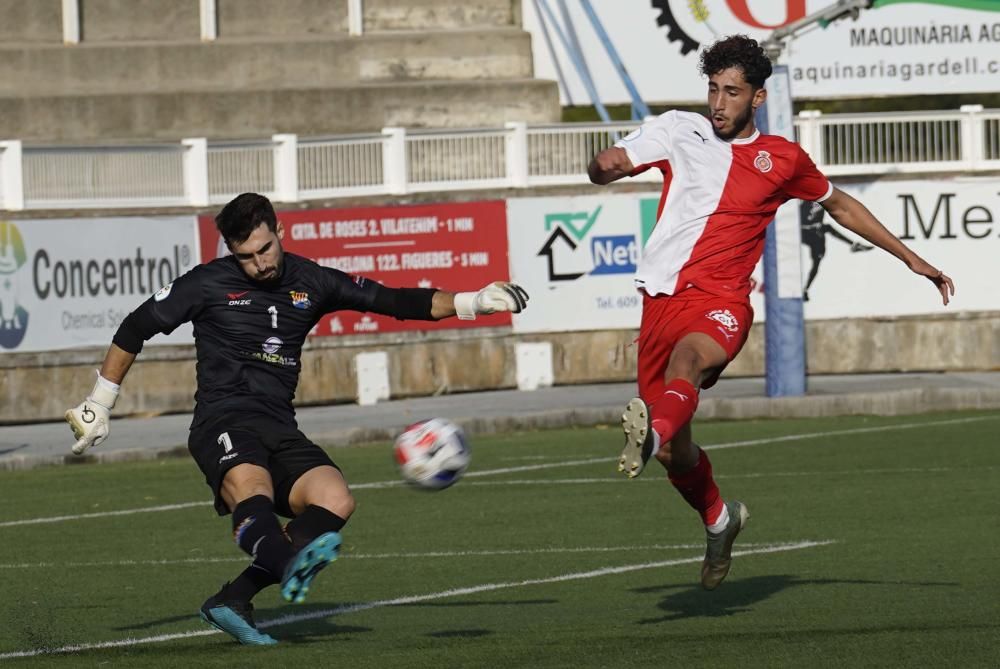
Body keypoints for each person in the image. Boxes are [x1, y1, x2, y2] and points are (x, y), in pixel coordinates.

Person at [64, 192, 529, 645]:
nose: (260, 262)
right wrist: (99, 403)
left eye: (265, 248)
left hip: (278, 425)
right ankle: (289, 564)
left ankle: (234, 599)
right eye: (245, 256)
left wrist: (473, 302)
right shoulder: (205, 283)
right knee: (254, 491)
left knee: (335, 499)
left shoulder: (314, 281)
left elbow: (394, 301)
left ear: (280, 231)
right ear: (231, 251)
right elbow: (135, 327)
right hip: (222, 421)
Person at [588, 35, 953, 591]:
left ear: (757, 98)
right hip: (660, 301)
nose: (718, 103)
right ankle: (717, 517)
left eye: (731, 92)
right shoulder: (677, 129)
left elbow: (842, 204)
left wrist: (912, 258)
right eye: (712, 89)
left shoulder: (782, 159)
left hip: (722, 302)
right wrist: (605, 166)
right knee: (679, 456)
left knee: (687, 365)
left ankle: (650, 433)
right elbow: (612, 161)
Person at [799, 199, 872, 302]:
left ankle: (805, 290)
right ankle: (853, 244)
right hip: (805, 233)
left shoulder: (823, 200)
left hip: (817, 234)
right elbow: (796, 224)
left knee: (817, 262)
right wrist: (811, 226)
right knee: (827, 228)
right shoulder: (804, 204)